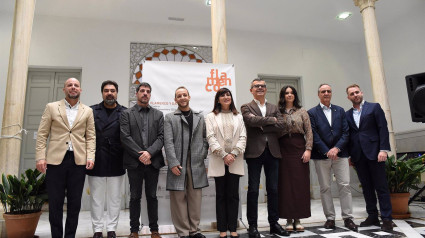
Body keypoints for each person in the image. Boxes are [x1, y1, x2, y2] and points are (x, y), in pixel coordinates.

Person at [35, 78, 96, 238]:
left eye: (76, 85)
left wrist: (91, 156)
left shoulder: (87, 111)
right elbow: (42, 134)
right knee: (55, 202)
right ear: (64, 89)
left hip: (78, 162)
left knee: (75, 203)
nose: (73, 87)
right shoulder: (52, 107)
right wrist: (40, 157)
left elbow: (90, 136)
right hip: (55, 161)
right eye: (70, 85)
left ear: (80, 90)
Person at [241, 78, 290, 238]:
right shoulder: (246, 107)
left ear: (266, 89)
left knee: (273, 189)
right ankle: (253, 226)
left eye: (262, 86)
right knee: (253, 190)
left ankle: (274, 224)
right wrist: (271, 121)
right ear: (251, 90)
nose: (260, 88)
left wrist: (262, 123)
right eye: (256, 86)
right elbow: (250, 121)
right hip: (254, 152)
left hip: (273, 152)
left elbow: (282, 125)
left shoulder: (274, 107)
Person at [307, 83, 358, 232]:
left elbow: (346, 132)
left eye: (329, 91)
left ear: (331, 93)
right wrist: (326, 150)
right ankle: (330, 218)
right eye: (323, 91)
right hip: (321, 156)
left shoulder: (340, 111)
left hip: (340, 154)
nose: (326, 93)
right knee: (325, 188)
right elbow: (313, 134)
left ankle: (348, 218)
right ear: (318, 94)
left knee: (345, 186)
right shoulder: (312, 113)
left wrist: (336, 148)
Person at [120, 82, 165, 238]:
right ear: (137, 93)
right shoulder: (126, 113)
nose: (145, 93)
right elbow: (125, 137)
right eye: (142, 91)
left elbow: (161, 137)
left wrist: (149, 153)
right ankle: (134, 230)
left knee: (152, 196)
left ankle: (154, 230)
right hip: (134, 163)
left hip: (153, 162)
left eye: (147, 91)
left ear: (150, 95)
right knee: (134, 197)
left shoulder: (158, 115)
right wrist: (141, 155)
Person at [345, 84, 393, 231]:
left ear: (362, 92)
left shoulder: (374, 107)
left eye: (357, 92)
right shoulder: (347, 114)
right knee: (366, 188)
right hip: (358, 156)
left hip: (375, 153)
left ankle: (386, 218)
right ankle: (372, 216)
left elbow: (383, 128)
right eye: (352, 94)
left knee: (381, 187)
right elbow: (349, 136)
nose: (355, 95)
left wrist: (383, 149)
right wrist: (350, 155)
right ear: (348, 97)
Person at [164, 86, 209, 238]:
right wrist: (173, 162)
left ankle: (194, 230)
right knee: (178, 198)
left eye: (185, 95)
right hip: (178, 162)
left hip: (196, 162)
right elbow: (168, 142)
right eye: (179, 95)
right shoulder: (170, 117)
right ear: (175, 100)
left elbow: (205, 139)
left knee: (195, 197)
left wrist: (202, 155)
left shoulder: (200, 116)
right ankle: (183, 232)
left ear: (189, 97)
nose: (182, 97)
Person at [205, 88, 247, 238]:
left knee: (233, 195)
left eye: (228, 94)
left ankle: (233, 228)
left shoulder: (239, 117)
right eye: (222, 95)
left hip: (235, 160)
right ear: (218, 99)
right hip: (218, 159)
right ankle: (222, 229)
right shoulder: (210, 116)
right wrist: (224, 155)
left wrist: (233, 154)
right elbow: (210, 137)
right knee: (221, 195)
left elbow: (243, 137)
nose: (226, 97)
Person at [87, 80, 126, 238]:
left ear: (117, 93)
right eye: (106, 90)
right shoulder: (91, 111)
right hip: (97, 158)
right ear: (102, 93)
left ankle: (111, 229)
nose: (109, 93)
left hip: (117, 158)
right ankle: (97, 229)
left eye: (112, 90)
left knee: (115, 198)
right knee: (96, 198)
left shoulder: (125, 112)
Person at [276, 86, 313, 232]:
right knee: (285, 185)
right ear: (283, 96)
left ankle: (298, 218)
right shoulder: (278, 111)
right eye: (286, 93)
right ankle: (288, 219)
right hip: (283, 148)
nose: (289, 95)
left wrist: (308, 149)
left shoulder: (302, 111)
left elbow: (309, 131)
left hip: (299, 148)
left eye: (292, 93)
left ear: (295, 95)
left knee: (299, 184)